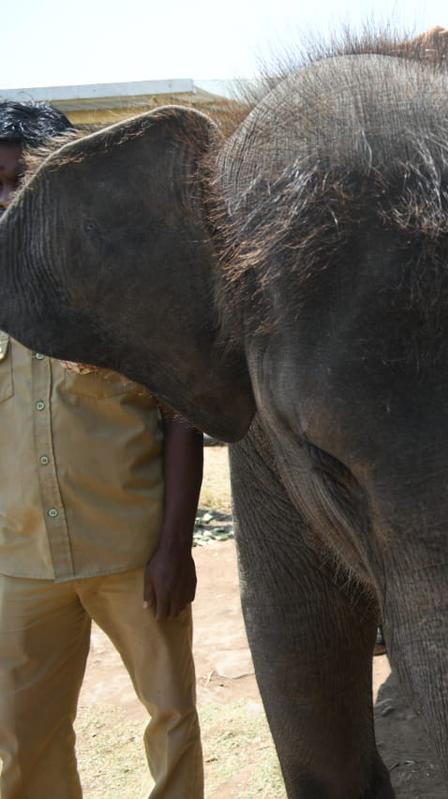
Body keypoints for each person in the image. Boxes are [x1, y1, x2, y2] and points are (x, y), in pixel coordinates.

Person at [0, 100, 205, 798]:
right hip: (20, 563)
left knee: (171, 717)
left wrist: (174, 545)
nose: (7, 201)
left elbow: (181, 414)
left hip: (133, 553)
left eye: (18, 182)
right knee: (23, 739)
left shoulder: (123, 284)